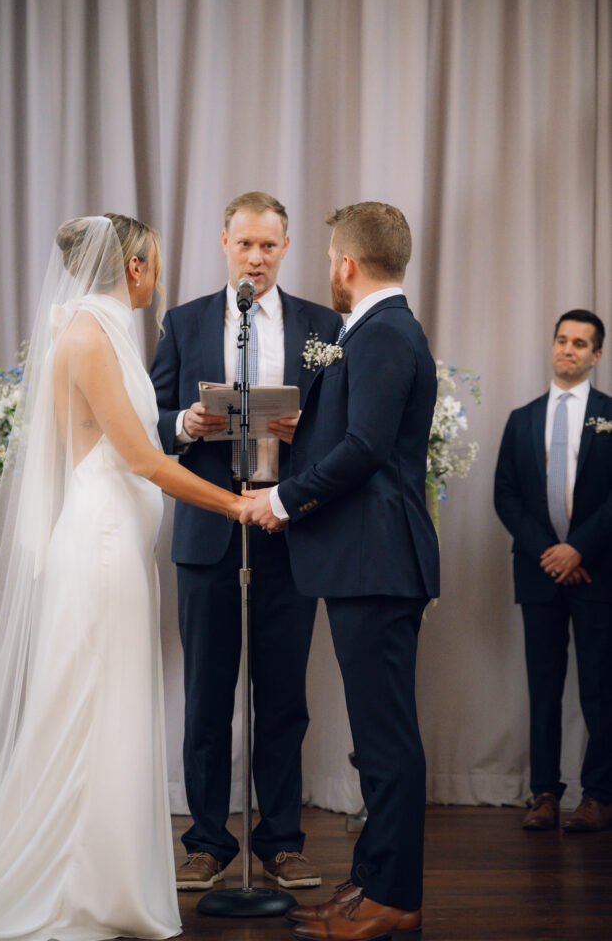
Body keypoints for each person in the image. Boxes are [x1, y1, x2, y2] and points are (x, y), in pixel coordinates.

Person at [0, 214, 247, 941]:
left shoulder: (100, 330)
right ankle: (81, 884)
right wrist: (238, 505)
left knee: (108, 707)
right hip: (101, 546)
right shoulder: (88, 337)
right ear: (133, 267)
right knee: (94, 708)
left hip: (116, 544)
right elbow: (143, 460)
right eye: (153, 263)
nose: (158, 277)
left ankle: (102, 877)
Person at [242, 201, 439, 941]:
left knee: (386, 742)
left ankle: (394, 898)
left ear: (347, 264)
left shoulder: (384, 332)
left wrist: (282, 500)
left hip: (376, 561)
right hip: (366, 560)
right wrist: (311, 429)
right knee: (376, 738)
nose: (327, 268)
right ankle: (369, 884)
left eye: (329, 258)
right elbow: (359, 433)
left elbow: (366, 448)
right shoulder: (377, 329)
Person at [150, 191, 342, 890]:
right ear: (223, 244)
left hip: (289, 527)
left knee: (283, 697)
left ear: (286, 247)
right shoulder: (185, 321)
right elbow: (149, 418)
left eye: (267, 245)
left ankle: (282, 842)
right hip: (209, 528)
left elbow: (348, 426)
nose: (255, 258)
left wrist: (306, 431)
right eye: (244, 245)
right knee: (206, 695)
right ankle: (205, 842)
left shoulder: (323, 325)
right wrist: (185, 423)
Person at [494, 309, 612, 833]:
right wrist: (551, 551)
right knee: (543, 687)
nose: (568, 349)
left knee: (599, 687)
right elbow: (505, 494)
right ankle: (543, 793)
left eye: (580, 343)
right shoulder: (522, 418)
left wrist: (578, 549)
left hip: (598, 571)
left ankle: (599, 795)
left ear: (596, 355)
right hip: (538, 571)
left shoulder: (609, 415)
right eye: (562, 340)